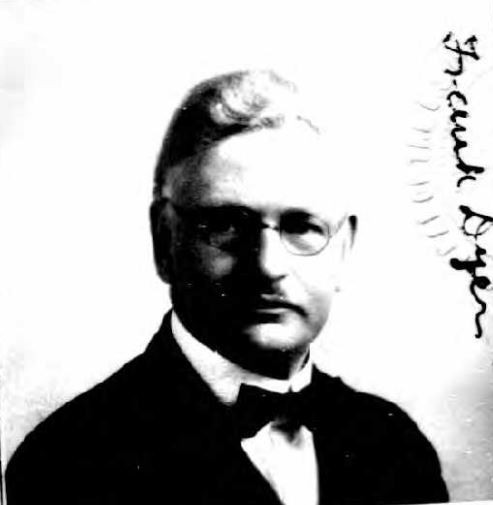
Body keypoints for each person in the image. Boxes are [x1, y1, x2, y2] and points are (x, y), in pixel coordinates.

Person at [6, 70, 449, 505]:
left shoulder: (395, 444)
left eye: (301, 227)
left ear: (344, 249)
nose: (268, 266)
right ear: (164, 240)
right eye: (226, 225)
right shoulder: (69, 459)